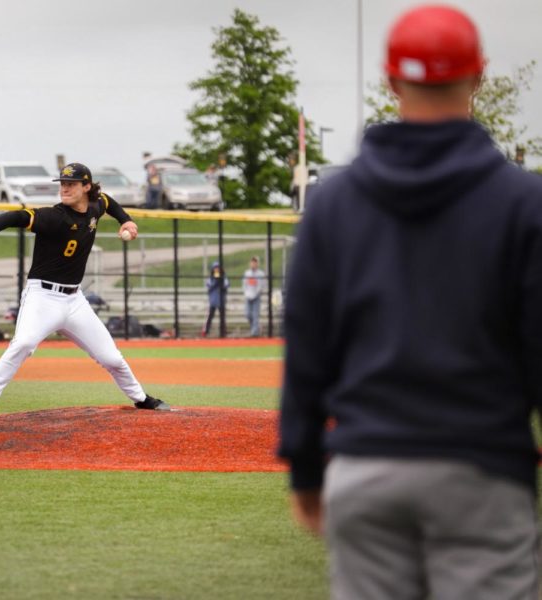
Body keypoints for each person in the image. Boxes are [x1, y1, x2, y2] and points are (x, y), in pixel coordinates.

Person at [278, 5, 542, 599]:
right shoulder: (524, 202)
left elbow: (308, 350)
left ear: (392, 79)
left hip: (364, 467)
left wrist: (303, 468)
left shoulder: (334, 201)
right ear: (479, 75)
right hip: (482, 468)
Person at [0, 162, 170, 430]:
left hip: (75, 301)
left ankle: (140, 399)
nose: (65, 188)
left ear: (86, 187)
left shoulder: (95, 206)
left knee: (112, 358)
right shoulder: (54, 217)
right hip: (42, 297)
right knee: (23, 344)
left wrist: (126, 219)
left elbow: (109, 202)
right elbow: (16, 217)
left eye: (71, 184)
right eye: (63, 184)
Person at [201, 260, 229, 337]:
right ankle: (206, 331)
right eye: (215, 268)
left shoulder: (224, 278)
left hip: (221, 301)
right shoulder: (210, 279)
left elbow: (226, 286)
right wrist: (215, 281)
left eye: (218, 268)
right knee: (210, 317)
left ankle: (223, 332)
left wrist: (221, 281)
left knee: (222, 318)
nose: (216, 269)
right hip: (213, 301)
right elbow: (209, 286)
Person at [242, 256, 265, 337]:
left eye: (255, 262)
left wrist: (256, 293)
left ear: (257, 263)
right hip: (248, 296)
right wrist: (246, 293)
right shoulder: (247, 273)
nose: (253, 264)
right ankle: (256, 328)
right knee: (247, 314)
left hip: (256, 296)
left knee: (255, 315)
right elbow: (244, 284)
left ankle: (254, 334)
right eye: (252, 262)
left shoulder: (261, 274)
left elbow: (262, 285)